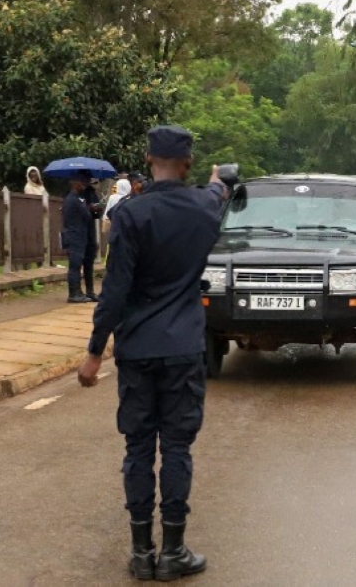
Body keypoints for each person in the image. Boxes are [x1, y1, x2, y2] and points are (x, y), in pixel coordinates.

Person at [77, 126, 223, 581]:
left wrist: (95, 350)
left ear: (147, 159)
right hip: (183, 347)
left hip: (137, 349)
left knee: (139, 447)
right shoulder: (205, 207)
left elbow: (115, 289)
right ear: (189, 163)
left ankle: (142, 551)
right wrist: (219, 180)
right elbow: (219, 192)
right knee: (177, 446)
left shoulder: (131, 215)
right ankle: (174, 550)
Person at [61, 170, 102, 303]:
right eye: (83, 182)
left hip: (85, 234)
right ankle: (74, 293)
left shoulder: (85, 195)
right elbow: (84, 215)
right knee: (75, 265)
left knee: (86, 263)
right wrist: (88, 209)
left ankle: (85, 292)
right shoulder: (73, 198)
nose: (84, 185)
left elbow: (92, 215)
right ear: (76, 183)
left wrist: (93, 210)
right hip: (76, 235)